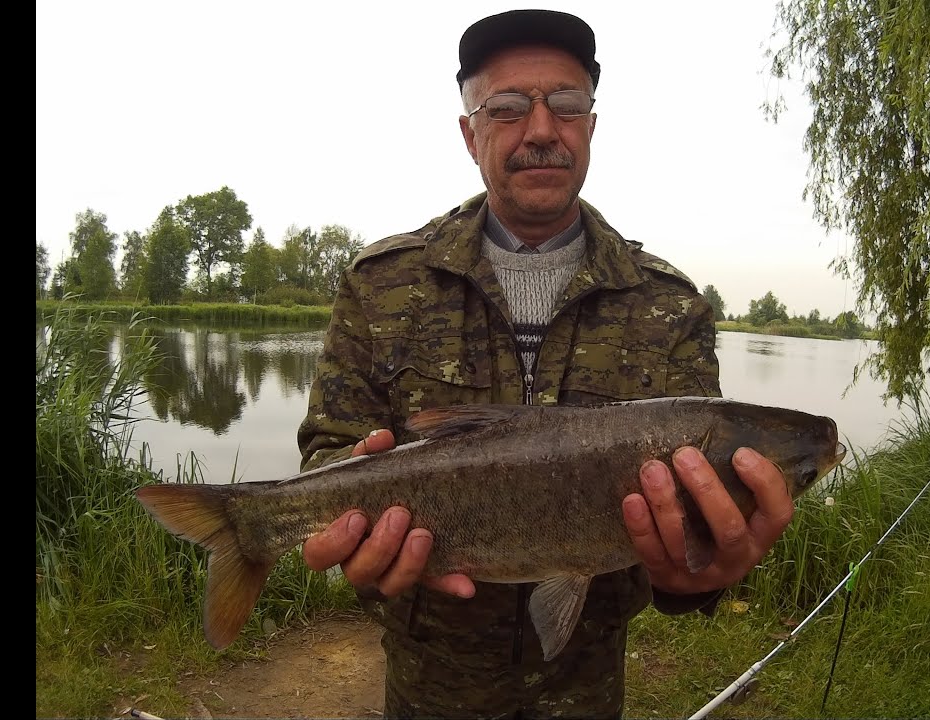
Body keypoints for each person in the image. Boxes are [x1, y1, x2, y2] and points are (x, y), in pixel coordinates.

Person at [296, 9, 796, 718]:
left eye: (566, 105)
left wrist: (704, 576)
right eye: (505, 108)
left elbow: (685, 549)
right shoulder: (381, 282)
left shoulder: (671, 304)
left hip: (587, 693)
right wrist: (348, 533)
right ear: (470, 134)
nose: (540, 130)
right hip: (429, 691)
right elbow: (327, 455)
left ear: (591, 126)